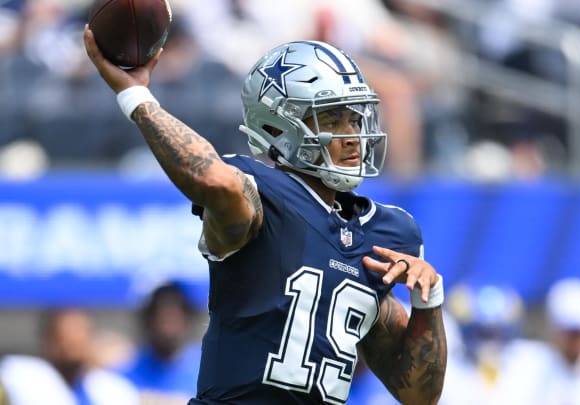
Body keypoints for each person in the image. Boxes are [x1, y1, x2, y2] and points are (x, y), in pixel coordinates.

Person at [83, 27, 447, 405]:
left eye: (355, 119)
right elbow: (215, 182)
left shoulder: (386, 232)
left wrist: (428, 299)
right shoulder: (261, 195)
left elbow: (420, 395)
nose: (353, 135)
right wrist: (137, 96)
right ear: (278, 127)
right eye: (332, 119)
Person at [118, 282, 202, 404]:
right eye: (161, 317)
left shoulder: (208, 372)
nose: (167, 327)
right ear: (148, 321)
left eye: (174, 317)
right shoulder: (125, 372)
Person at [40, 308, 140, 405]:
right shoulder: (33, 385)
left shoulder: (112, 389)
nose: (73, 342)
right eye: (63, 337)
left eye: (79, 333)